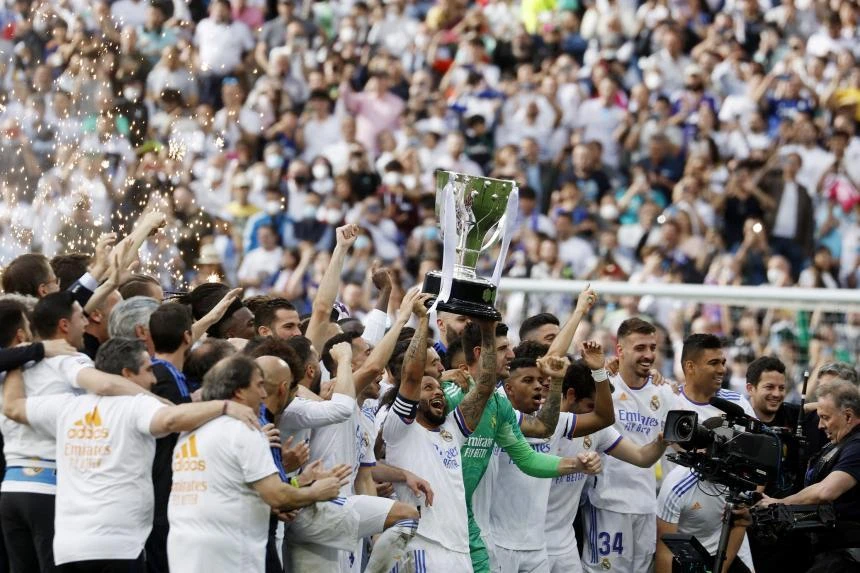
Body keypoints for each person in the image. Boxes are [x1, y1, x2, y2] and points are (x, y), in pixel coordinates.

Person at [0, 337, 260, 572]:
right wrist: (223, 406)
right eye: (148, 370)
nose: (154, 380)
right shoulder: (138, 405)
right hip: (118, 547)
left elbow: (13, 407)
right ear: (126, 373)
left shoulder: (67, 407)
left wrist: (16, 360)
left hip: (69, 549)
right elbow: (171, 421)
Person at [0, 292, 151, 573]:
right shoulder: (69, 360)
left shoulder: (12, 370)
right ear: (64, 325)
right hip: (49, 487)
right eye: (81, 315)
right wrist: (152, 401)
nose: (88, 320)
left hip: (11, 489)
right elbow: (104, 386)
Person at [166, 355, 349, 572]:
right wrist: (317, 492)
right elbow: (276, 495)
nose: (264, 394)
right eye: (259, 385)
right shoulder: (244, 430)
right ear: (239, 391)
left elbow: (231, 490)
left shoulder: (189, 433)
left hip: (184, 554)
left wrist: (299, 481)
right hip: (229, 556)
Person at [381, 297, 500, 570]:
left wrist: (489, 333)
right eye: (427, 387)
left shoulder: (452, 429)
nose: (436, 391)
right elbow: (410, 376)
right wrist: (423, 320)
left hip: (459, 550)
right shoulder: (399, 428)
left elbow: (484, 386)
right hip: (421, 545)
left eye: (438, 387)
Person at [546, 360, 670, 573]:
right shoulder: (541, 426)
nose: (598, 417)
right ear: (571, 395)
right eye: (591, 407)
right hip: (529, 542)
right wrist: (573, 465)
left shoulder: (598, 429)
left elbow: (642, 457)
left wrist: (660, 444)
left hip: (564, 544)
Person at [583, 318, 683, 573]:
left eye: (652, 347)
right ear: (620, 350)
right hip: (608, 503)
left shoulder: (665, 393)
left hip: (648, 506)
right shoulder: (604, 389)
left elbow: (683, 446)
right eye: (640, 348)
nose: (648, 355)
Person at [759, 380, 860, 571]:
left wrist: (779, 502)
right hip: (826, 551)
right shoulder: (840, 442)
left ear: (848, 416)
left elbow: (826, 491)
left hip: (846, 558)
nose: (820, 425)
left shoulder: (857, 446)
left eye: (825, 417)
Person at [657, 454, 756, 573]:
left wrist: (721, 569)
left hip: (722, 549)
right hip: (683, 556)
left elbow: (739, 524)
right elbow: (664, 553)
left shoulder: (743, 481)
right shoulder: (676, 487)